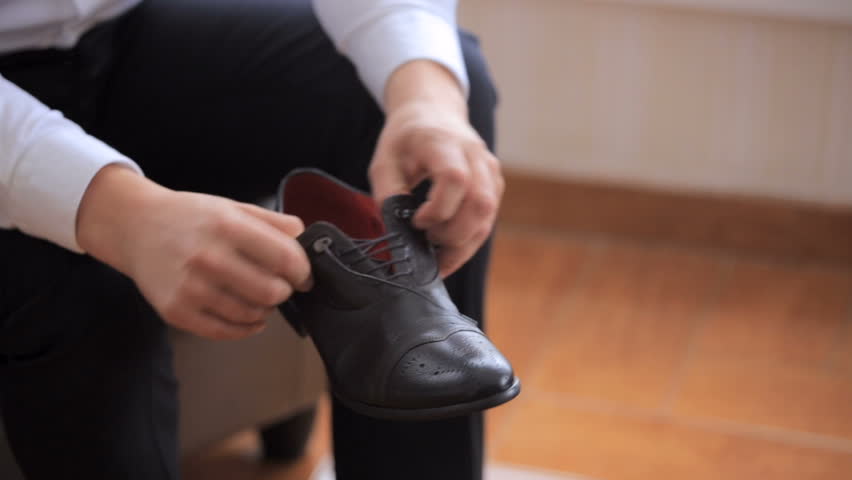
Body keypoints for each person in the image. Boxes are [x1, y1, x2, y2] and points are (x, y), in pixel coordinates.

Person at [0, 0, 502, 478]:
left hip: (112, 36)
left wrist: (425, 102)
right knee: (84, 293)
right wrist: (116, 213)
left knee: (437, 86)